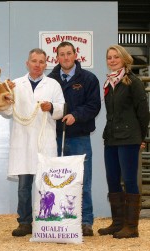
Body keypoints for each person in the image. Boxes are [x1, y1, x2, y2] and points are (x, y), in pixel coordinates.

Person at [5, 48, 65, 237]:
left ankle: (45, 222)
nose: (37, 65)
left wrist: (51, 107)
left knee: (45, 186)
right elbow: (7, 111)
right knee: (24, 187)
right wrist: (6, 95)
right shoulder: (15, 84)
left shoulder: (53, 84)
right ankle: (24, 223)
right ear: (27, 63)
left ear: (46, 65)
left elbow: (61, 109)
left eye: (41, 61)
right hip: (22, 142)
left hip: (44, 140)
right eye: (34, 61)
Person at [48, 41, 101, 237]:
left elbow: (94, 106)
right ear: (57, 57)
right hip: (55, 138)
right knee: (58, 181)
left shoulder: (88, 79)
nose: (66, 57)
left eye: (69, 53)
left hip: (80, 137)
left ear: (75, 54)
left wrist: (76, 115)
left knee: (83, 181)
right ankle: (62, 219)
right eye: (61, 54)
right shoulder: (50, 80)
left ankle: (86, 221)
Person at [98, 44, 149, 239]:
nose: (112, 60)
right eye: (109, 57)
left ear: (124, 59)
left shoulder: (133, 82)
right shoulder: (110, 83)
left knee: (129, 180)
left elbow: (143, 113)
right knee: (112, 180)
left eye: (115, 57)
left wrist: (140, 137)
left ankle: (131, 227)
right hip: (111, 138)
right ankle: (117, 223)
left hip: (128, 138)